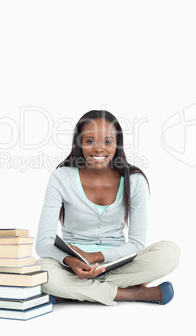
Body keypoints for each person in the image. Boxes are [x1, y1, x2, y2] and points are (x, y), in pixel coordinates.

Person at [36, 110, 180, 306]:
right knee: (42, 272)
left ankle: (70, 292)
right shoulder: (61, 177)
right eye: (89, 141)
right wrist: (73, 261)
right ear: (79, 143)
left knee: (170, 253)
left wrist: (95, 257)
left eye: (107, 141)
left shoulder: (135, 180)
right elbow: (43, 243)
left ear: (117, 144)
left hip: (118, 263)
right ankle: (132, 293)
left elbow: (137, 244)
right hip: (72, 266)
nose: (98, 149)